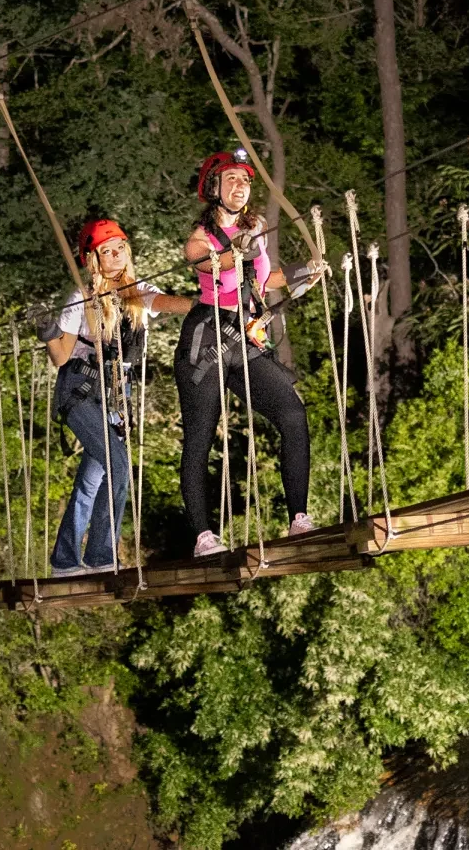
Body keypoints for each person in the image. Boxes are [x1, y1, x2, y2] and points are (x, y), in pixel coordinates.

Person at [175, 149, 327, 559]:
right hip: (207, 338)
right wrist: (234, 250)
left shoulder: (255, 228)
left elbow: (262, 283)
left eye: (245, 182)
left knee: (293, 413)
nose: (240, 188)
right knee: (200, 437)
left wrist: (302, 273)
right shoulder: (200, 236)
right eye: (231, 181)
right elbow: (203, 263)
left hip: (244, 339)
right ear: (214, 189)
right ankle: (204, 535)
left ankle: (299, 518)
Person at [44, 218, 190, 576]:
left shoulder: (138, 291)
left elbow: (163, 301)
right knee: (118, 465)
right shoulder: (81, 297)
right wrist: (48, 330)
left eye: (119, 248)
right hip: (79, 390)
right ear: (94, 259)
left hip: (115, 393)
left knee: (91, 481)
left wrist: (204, 304)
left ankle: (65, 561)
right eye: (106, 251)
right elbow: (61, 357)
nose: (115, 255)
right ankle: (100, 556)